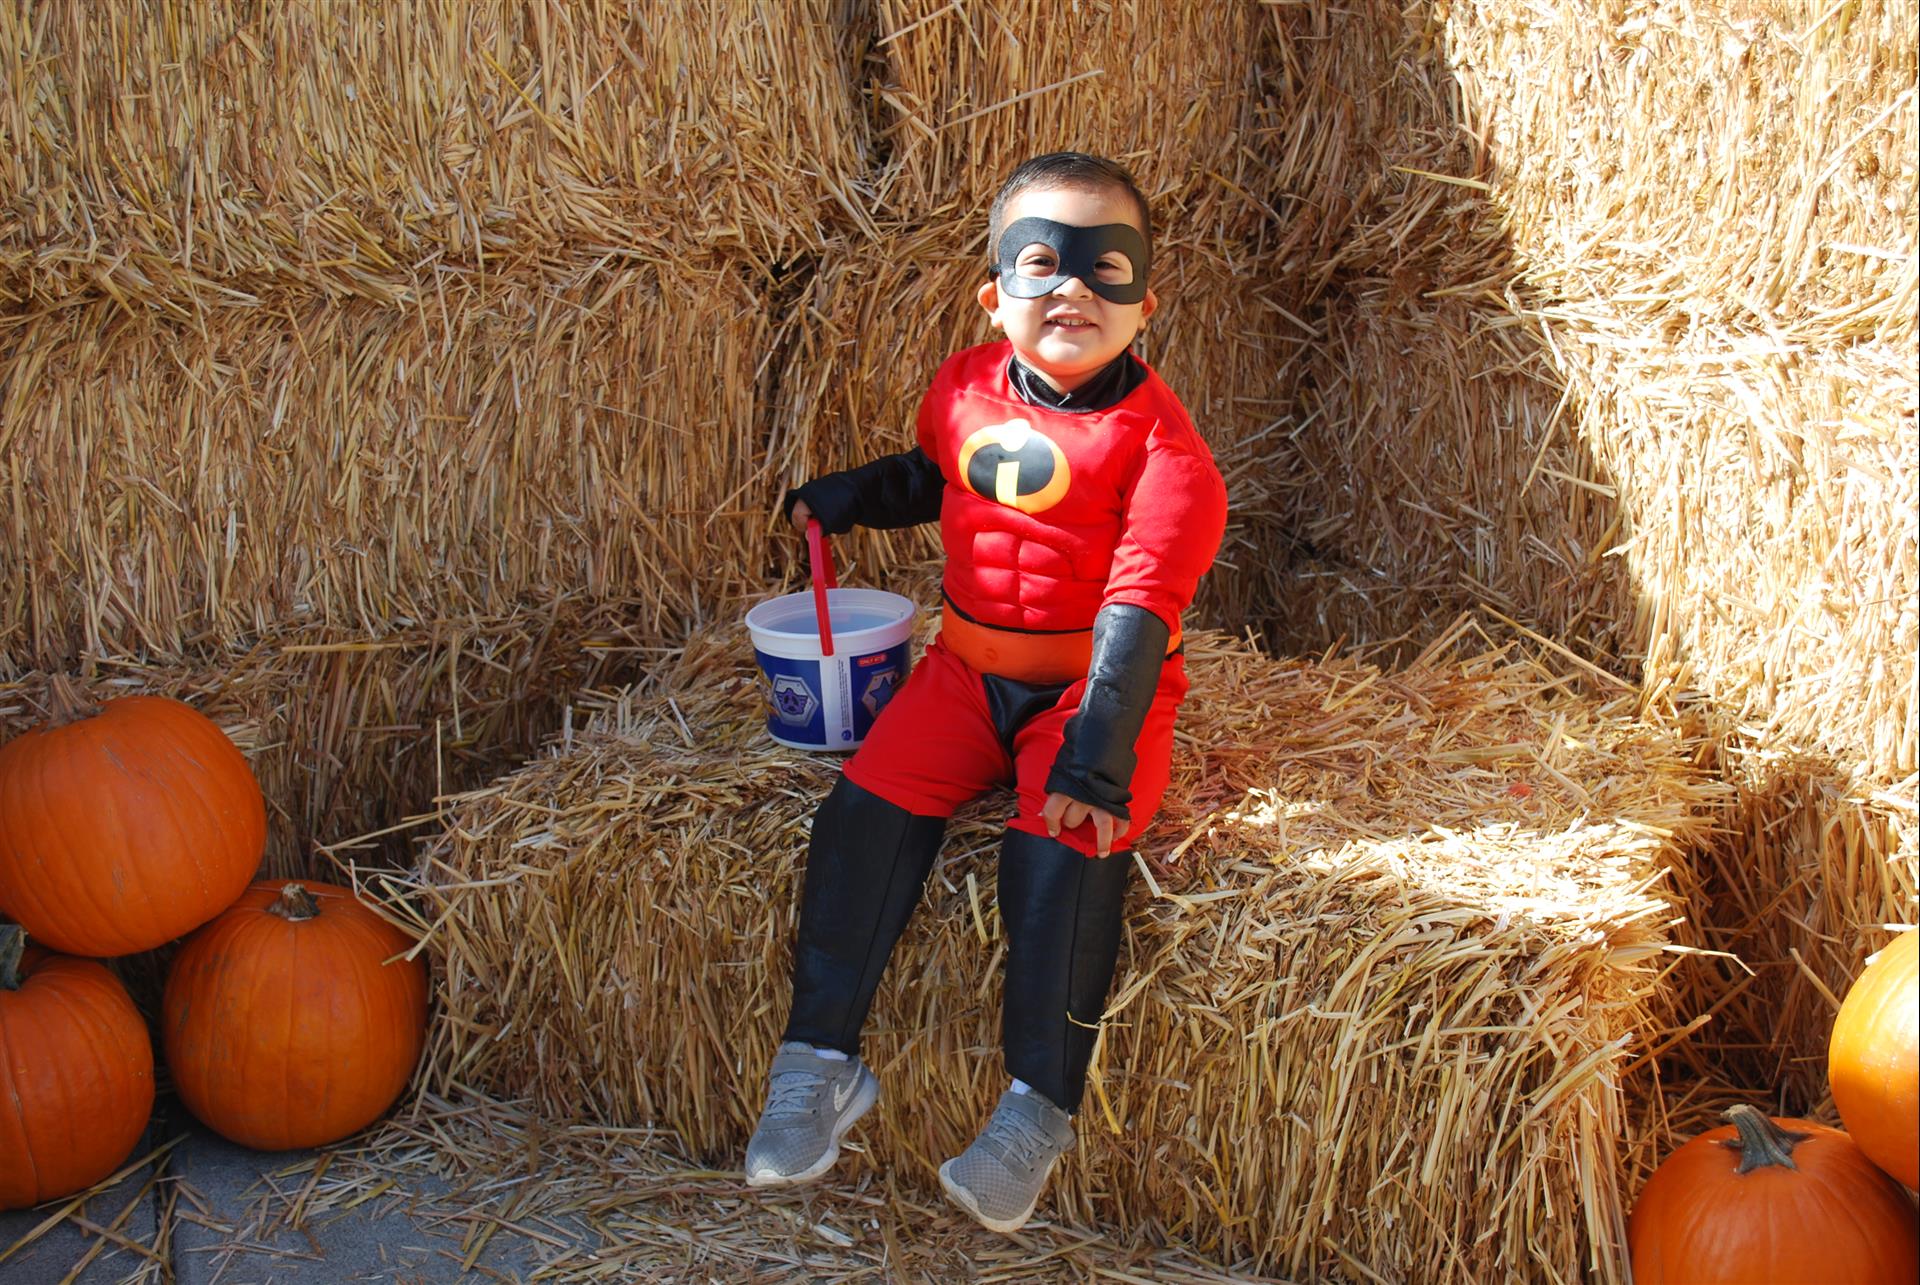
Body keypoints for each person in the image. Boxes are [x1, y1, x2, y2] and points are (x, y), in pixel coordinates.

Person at [744, 151, 1229, 1234]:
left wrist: (1096, 759)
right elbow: (942, 475)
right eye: (1043, 263)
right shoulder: (962, 387)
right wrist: (855, 494)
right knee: (863, 809)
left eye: (1109, 271)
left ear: (1146, 304)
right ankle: (820, 1063)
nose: (1074, 292)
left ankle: (1037, 1109)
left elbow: (1141, 609)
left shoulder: (1169, 455)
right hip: (966, 669)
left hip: (1092, 684)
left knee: (1058, 844)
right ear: (994, 293)